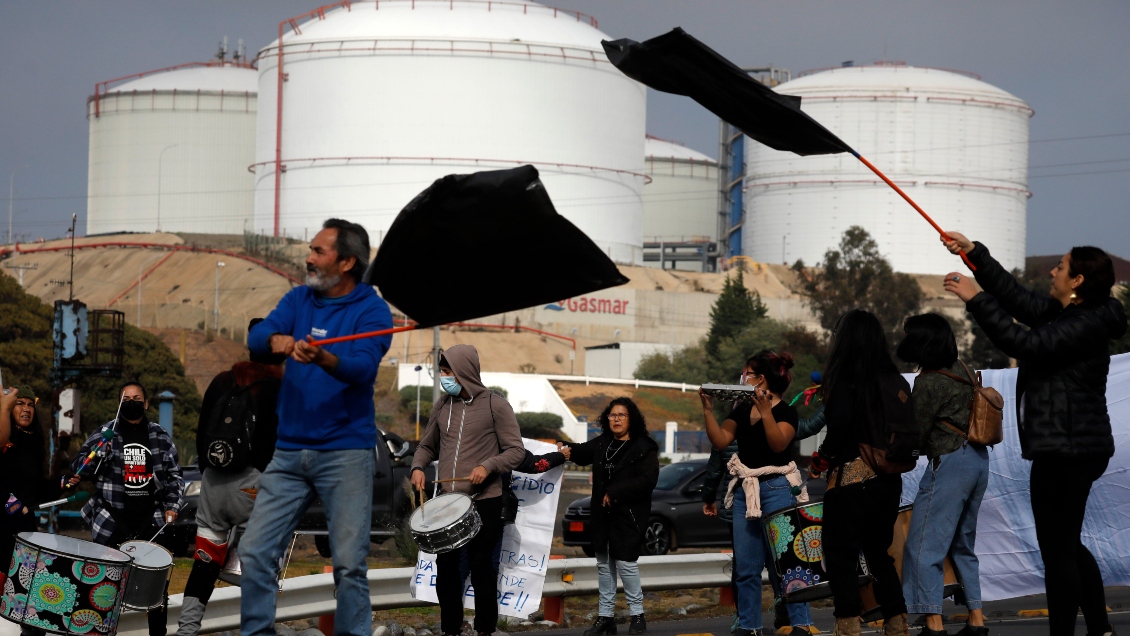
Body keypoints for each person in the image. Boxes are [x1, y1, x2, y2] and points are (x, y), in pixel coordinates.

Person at [942, 233, 1126, 636]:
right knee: (1068, 545)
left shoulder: (1083, 324)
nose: (1053, 271)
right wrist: (976, 255)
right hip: (1068, 446)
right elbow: (1018, 299)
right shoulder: (1069, 314)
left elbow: (1020, 340)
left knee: (1058, 550)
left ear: (1077, 281)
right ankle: (1100, 628)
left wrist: (975, 299)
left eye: (1061, 266)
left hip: (1069, 449)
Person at [242, 218, 393, 636]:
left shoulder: (372, 310)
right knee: (254, 552)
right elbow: (259, 335)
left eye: (318, 251)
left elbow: (362, 369)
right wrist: (274, 340)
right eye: (310, 249)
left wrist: (325, 358)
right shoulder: (298, 299)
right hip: (288, 453)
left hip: (346, 454)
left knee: (348, 566)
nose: (308, 257)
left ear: (346, 262)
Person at [175, 319, 285, 636]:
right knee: (258, 567)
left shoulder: (222, 381)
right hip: (253, 485)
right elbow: (283, 443)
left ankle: (187, 629)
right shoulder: (278, 387)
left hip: (212, 484)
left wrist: (211, 471)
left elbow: (201, 434)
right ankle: (256, 630)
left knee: (205, 560)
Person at [409, 344, 525, 636]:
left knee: (482, 567)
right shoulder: (442, 405)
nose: (444, 377)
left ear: (464, 372)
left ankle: (485, 629)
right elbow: (426, 445)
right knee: (446, 569)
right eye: (442, 371)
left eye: (448, 372)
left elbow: (516, 451)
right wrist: (418, 467)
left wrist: (488, 465)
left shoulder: (495, 405)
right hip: (446, 503)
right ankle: (451, 629)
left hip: (484, 501)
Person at [699, 351, 817, 636]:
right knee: (747, 566)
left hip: (777, 487)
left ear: (760, 378)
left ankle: (800, 622)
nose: (742, 379)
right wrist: (707, 410)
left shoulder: (786, 410)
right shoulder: (740, 410)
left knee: (788, 561)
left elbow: (778, 444)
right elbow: (720, 440)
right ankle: (750, 625)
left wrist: (765, 411)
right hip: (745, 491)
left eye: (746, 374)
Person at [812, 309, 909, 636]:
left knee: (841, 554)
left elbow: (838, 427)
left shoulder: (846, 377)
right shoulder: (893, 378)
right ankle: (897, 624)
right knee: (880, 555)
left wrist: (822, 457)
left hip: (851, 480)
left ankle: (848, 626)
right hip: (889, 479)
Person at [896, 314, 989, 636]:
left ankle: (933, 624)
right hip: (978, 459)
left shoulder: (929, 381)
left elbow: (917, 434)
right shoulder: (961, 367)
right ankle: (976, 620)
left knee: (923, 546)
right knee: (963, 543)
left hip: (950, 462)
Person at [71, 381, 183, 636]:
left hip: (151, 522)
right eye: (126, 399)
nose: (131, 403)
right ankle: (99, 631)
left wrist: (173, 506)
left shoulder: (160, 436)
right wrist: (100, 455)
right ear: (119, 403)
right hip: (112, 522)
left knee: (156, 592)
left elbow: (175, 476)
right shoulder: (104, 433)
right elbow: (79, 468)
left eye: (136, 398)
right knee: (103, 589)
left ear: (145, 404)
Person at [566, 398, 659, 636]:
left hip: (628, 516)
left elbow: (648, 481)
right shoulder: (603, 443)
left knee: (626, 565)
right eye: (612, 415)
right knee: (604, 567)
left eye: (622, 415)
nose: (616, 419)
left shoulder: (643, 446)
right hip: (602, 517)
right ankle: (606, 618)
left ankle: (638, 615)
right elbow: (581, 451)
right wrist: (563, 447)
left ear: (632, 419)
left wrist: (615, 492)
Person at [0, 386, 61, 588]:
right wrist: (10, 502)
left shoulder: (34, 444)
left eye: (30, 404)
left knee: (23, 591)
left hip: (23, 531)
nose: (26, 408)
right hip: (2, 529)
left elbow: (37, 491)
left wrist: (64, 483)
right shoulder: (3, 441)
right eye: (20, 403)